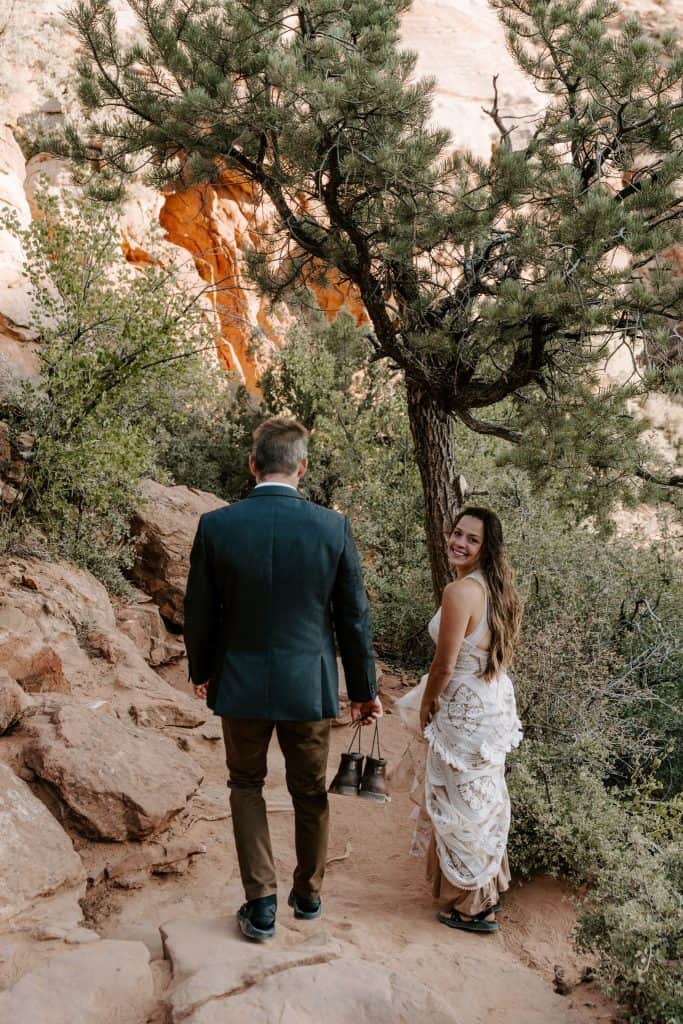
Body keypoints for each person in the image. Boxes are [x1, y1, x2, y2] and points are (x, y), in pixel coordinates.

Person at [184, 417, 381, 942]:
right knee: (308, 790)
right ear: (303, 466)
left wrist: (202, 670)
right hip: (307, 686)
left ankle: (262, 902)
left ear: (253, 464)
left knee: (245, 785)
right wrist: (364, 692)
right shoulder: (331, 527)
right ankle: (309, 894)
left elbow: (199, 611)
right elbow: (353, 617)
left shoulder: (217, 525)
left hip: (241, 683)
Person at [398, 506, 522, 934]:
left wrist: (426, 704)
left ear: (486, 548)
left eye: (472, 539)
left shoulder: (460, 593)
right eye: (457, 533)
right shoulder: (500, 588)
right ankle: (487, 891)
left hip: (464, 712)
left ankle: (473, 907)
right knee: (481, 800)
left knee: (457, 805)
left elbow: (443, 666)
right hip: (493, 704)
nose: (459, 542)